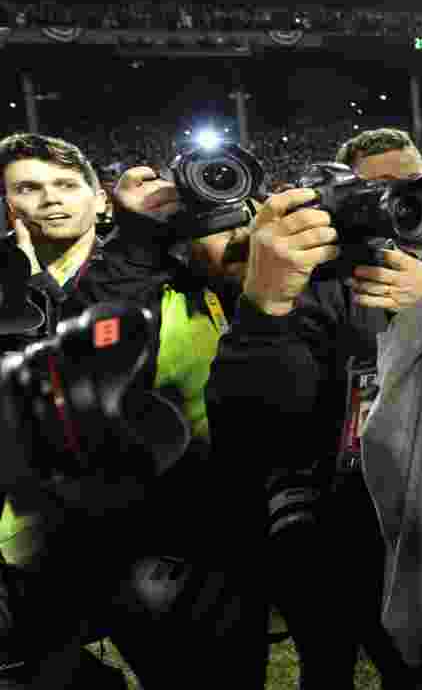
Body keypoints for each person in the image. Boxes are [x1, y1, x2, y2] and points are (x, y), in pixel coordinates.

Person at [205, 127, 422, 690]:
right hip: (342, 527)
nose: (400, 200)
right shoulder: (316, 281)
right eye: (377, 190)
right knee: (327, 666)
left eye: (414, 182)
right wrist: (265, 306)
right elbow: (252, 422)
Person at [0, 135, 268, 688]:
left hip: (187, 529)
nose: (51, 200)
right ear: (7, 204)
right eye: (28, 188)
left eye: (66, 185)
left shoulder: (168, 267)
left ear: (99, 199)